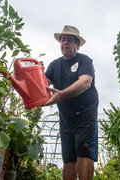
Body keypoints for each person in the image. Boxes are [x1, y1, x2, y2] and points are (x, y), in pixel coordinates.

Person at [45, 25, 99, 180]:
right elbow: (43, 85)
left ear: (78, 44)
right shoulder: (54, 65)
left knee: (84, 150)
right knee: (68, 157)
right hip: (66, 117)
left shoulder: (84, 60)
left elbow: (85, 82)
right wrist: (35, 74)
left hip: (85, 114)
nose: (65, 43)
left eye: (69, 40)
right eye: (62, 40)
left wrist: (61, 95)